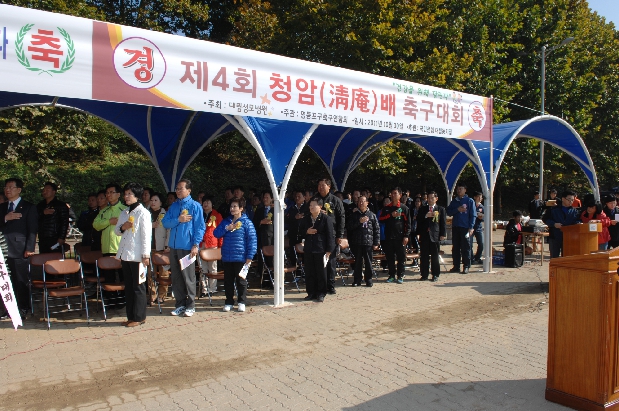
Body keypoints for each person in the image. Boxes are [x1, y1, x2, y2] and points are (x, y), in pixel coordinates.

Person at [162, 179, 205, 317]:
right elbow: (165, 223)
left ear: (189, 190)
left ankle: (191, 305)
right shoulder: (173, 206)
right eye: (177, 188)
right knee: (176, 277)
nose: (178, 191)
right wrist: (178, 220)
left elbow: (200, 227)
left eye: (181, 188)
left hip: (187, 247)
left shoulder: (195, 206)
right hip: (173, 247)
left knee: (189, 277)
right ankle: (180, 304)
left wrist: (195, 245)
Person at [115, 183, 152, 327]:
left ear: (137, 195)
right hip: (125, 254)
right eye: (125, 194)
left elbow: (146, 235)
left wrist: (145, 255)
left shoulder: (143, 213)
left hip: (138, 256)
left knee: (138, 287)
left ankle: (139, 317)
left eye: (129, 194)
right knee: (129, 287)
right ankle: (131, 316)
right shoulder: (124, 212)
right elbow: (117, 231)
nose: (126, 196)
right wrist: (123, 227)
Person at [0, 178, 38, 319]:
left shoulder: (28, 207)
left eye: (10, 187)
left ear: (19, 189)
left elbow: (32, 229)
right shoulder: (3, 207)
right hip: (2, 250)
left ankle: (23, 308)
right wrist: (5, 218)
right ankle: (7, 309)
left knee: (20, 280)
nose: (7, 190)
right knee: (5, 281)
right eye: (6, 187)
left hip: (20, 249)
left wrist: (29, 247)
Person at [213, 197, 257, 312]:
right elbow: (216, 233)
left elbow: (252, 240)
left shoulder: (247, 223)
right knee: (228, 281)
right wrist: (227, 228)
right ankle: (229, 302)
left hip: (241, 257)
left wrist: (250, 257)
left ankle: (241, 301)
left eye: (235, 206)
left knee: (241, 281)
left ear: (241, 208)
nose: (232, 209)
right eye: (231, 206)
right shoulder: (226, 221)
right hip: (227, 256)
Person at [298, 198, 335, 302]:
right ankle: (311, 293)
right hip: (309, 248)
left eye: (313, 205)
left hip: (321, 249)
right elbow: (300, 231)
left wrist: (329, 250)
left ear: (320, 207)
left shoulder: (326, 219)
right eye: (310, 206)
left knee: (321, 273)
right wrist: (307, 231)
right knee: (309, 272)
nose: (311, 207)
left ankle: (321, 293)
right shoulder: (306, 219)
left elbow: (330, 235)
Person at [93, 183, 127, 286]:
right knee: (109, 277)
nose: (109, 195)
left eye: (112, 192)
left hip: (121, 248)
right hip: (107, 248)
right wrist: (108, 222)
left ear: (119, 194)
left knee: (123, 276)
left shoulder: (125, 210)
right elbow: (95, 225)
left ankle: (123, 298)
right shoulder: (103, 211)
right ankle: (110, 298)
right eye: (107, 193)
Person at [316, 179, 345, 294]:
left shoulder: (335, 200)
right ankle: (320, 286)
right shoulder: (315, 199)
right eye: (319, 185)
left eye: (322, 185)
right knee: (319, 262)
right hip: (317, 235)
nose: (320, 188)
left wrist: (339, 235)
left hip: (331, 235)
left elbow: (341, 217)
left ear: (329, 186)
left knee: (331, 262)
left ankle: (331, 285)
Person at [379, 187, 411, 284]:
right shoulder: (386, 208)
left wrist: (406, 236)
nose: (393, 195)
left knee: (401, 257)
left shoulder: (404, 208)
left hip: (400, 237)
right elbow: (381, 219)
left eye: (395, 193)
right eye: (392, 193)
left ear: (400, 195)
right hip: (388, 237)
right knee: (390, 257)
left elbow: (408, 224)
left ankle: (400, 275)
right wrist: (390, 215)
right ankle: (391, 275)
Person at [346, 195, 379, 287]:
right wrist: (358, 222)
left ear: (367, 203)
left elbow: (376, 230)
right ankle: (357, 280)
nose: (361, 203)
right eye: (359, 201)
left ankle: (368, 279)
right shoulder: (354, 215)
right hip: (357, 242)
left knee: (368, 262)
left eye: (363, 201)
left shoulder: (372, 215)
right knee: (357, 263)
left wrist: (376, 243)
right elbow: (349, 227)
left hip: (368, 242)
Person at [416, 191, 446, 282]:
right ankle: (424, 274)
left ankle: (435, 274)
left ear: (436, 199)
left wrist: (442, 234)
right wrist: (426, 216)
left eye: (432, 198)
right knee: (424, 256)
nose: (430, 199)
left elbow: (443, 223)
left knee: (435, 256)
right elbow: (418, 220)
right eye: (428, 198)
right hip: (425, 235)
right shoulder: (423, 209)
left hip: (435, 235)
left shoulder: (440, 209)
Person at [446, 183, 476, 274]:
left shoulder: (470, 201)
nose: (459, 190)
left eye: (461, 189)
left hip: (465, 228)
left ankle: (466, 266)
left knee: (466, 247)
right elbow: (448, 212)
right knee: (455, 247)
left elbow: (473, 215)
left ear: (465, 190)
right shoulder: (454, 201)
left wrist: (471, 227)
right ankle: (456, 266)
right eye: (458, 189)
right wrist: (457, 210)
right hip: (456, 227)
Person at [545, 190, 581, 258]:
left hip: (569, 237)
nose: (571, 202)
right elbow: (545, 219)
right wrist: (554, 224)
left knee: (566, 258)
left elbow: (577, 220)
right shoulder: (553, 209)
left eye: (572, 200)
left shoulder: (575, 211)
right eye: (569, 199)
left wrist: (577, 223)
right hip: (555, 236)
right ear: (563, 199)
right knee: (554, 258)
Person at [36, 182, 70, 254]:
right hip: (42, 237)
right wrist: (43, 213)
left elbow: (64, 222)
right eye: (44, 190)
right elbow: (34, 217)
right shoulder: (40, 205)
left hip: (55, 237)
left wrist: (62, 237)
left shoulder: (60, 205)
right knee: (44, 257)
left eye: (47, 190)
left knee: (55, 257)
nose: (45, 191)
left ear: (54, 191)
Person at [199, 196, 223, 296]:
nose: (206, 204)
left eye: (208, 201)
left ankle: (212, 289)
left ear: (212, 204)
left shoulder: (217, 215)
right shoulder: (199, 215)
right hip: (200, 244)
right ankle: (204, 290)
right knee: (202, 268)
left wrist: (220, 246)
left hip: (212, 244)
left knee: (212, 268)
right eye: (204, 202)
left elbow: (221, 231)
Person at [149, 193, 169, 304]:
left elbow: (168, 231)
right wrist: (149, 225)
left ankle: (162, 295)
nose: (153, 202)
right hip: (149, 248)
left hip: (161, 248)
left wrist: (167, 245)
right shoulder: (146, 214)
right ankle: (152, 295)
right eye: (151, 200)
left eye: (155, 200)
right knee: (150, 273)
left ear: (161, 202)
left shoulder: (165, 214)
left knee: (163, 273)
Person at [253, 190, 275, 287]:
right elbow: (255, 222)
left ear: (272, 199)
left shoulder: (276, 209)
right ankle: (264, 281)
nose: (265, 199)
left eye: (267, 197)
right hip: (262, 237)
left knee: (272, 259)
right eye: (264, 197)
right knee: (262, 260)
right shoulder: (259, 209)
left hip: (272, 238)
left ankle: (273, 281)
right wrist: (261, 222)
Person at [284, 190, 308, 267]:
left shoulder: (308, 208)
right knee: (293, 253)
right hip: (293, 234)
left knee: (304, 254)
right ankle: (295, 270)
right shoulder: (292, 208)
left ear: (304, 197)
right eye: (296, 197)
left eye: (299, 196)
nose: (297, 198)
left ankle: (304, 271)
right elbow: (286, 219)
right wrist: (294, 217)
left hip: (304, 235)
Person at [471, 191, 484, 264]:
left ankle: (477, 257)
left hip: (478, 227)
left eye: (481, 197)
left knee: (481, 243)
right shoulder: (471, 205)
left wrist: (481, 217)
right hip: (471, 227)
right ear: (475, 197)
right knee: (470, 243)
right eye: (478, 197)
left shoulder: (482, 207)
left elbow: (484, 217)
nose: (480, 198)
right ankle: (471, 258)